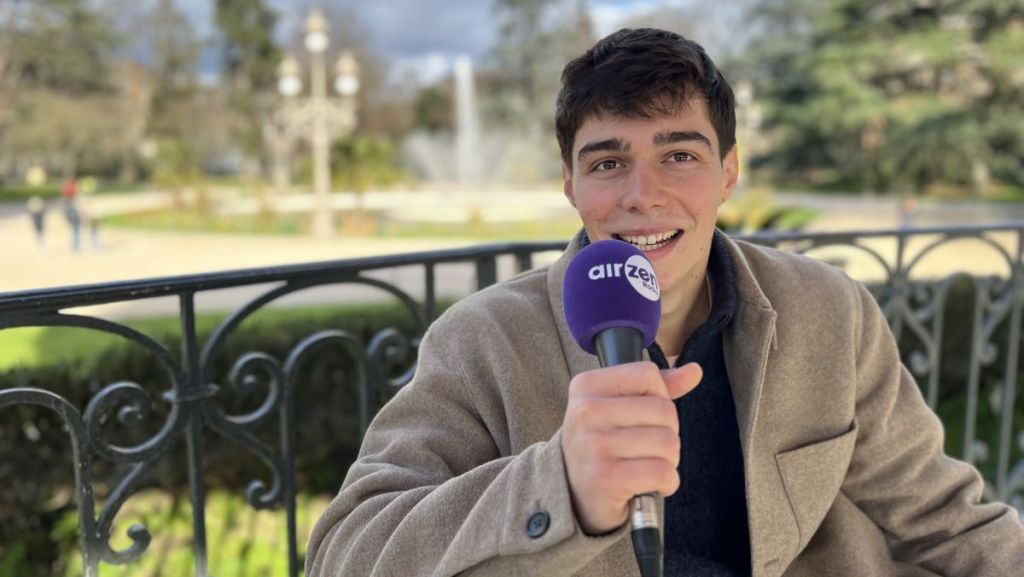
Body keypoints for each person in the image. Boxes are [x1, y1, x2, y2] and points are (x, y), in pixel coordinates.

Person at [305, 29, 1024, 577]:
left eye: (679, 154)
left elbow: (945, 520)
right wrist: (557, 483)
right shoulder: (482, 339)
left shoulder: (828, 313)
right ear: (570, 185)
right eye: (608, 162)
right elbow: (344, 551)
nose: (641, 195)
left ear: (728, 173)